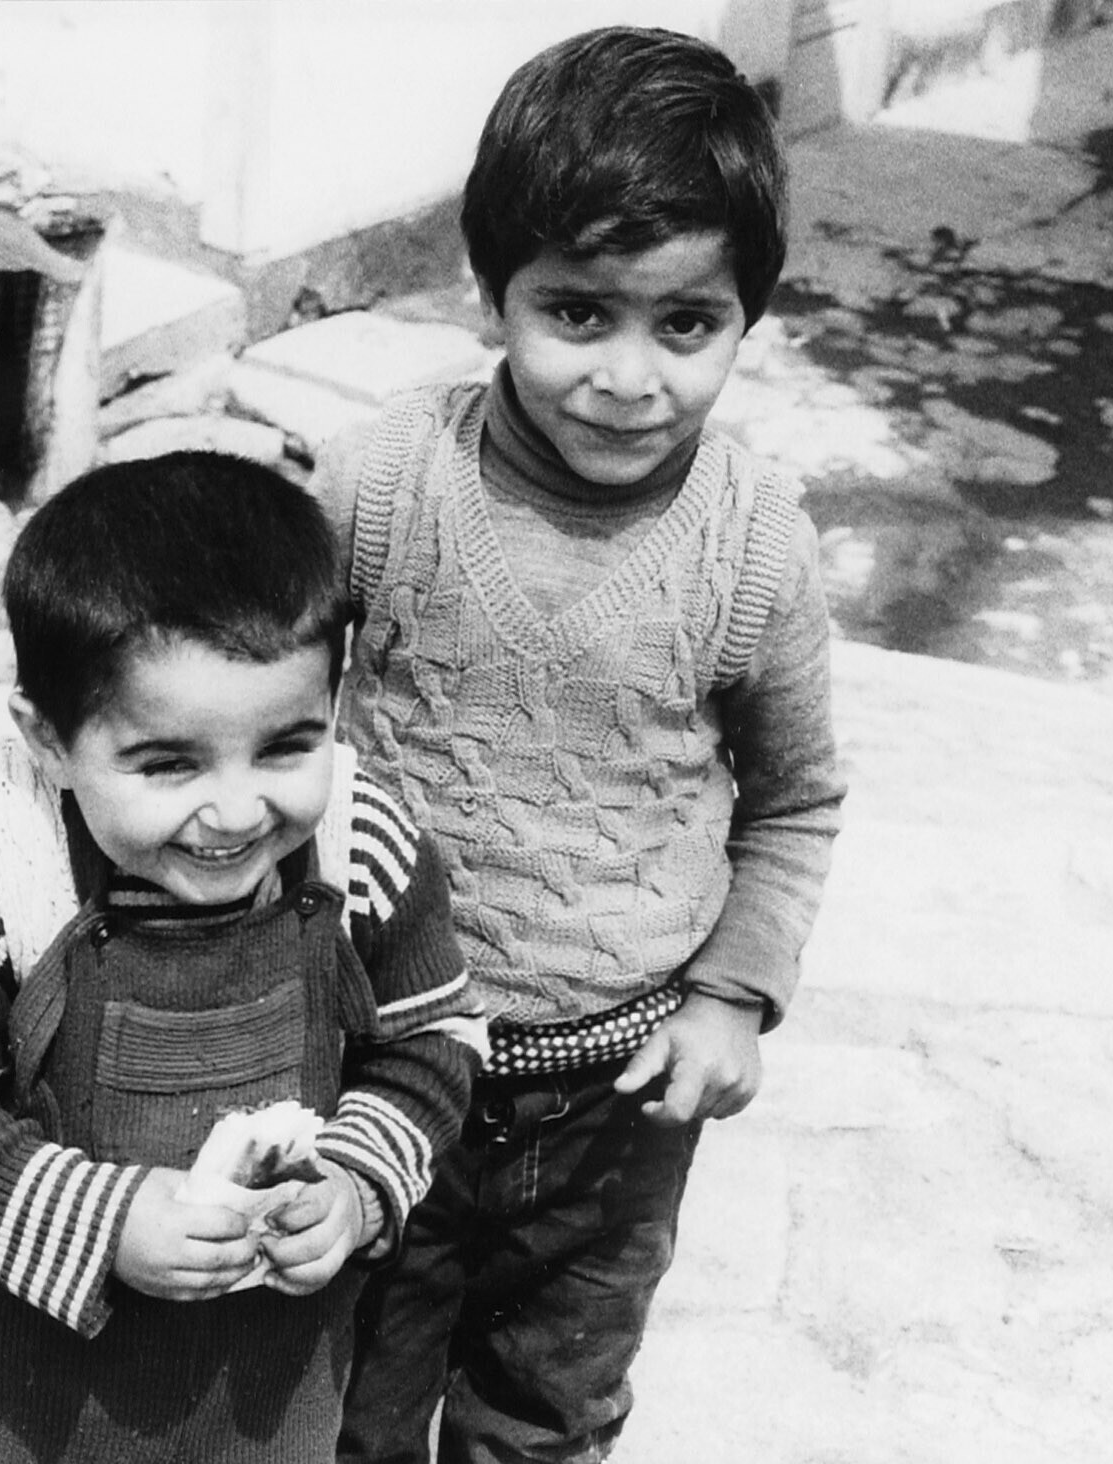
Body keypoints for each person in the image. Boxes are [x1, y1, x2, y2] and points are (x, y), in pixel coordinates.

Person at [314, 26, 847, 1463]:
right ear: (488, 294)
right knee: (344, 1408)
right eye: (577, 312)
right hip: (377, 1061)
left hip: (619, 1097)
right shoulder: (382, 482)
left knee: (545, 1418)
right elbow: (255, 694)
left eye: (685, 325)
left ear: (746, 320)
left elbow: (795, 802)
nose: (628, 377)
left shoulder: (752, 546)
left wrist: (730, 998)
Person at [0, 452, 485, 1464]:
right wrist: (98, 1221)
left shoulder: (360, 843)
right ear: (48, 740)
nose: (234, 811)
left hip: (266, 1386)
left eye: (285, 748)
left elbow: (432, 1039)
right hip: (33, 1389)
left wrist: (358, 1184)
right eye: (167, 764)